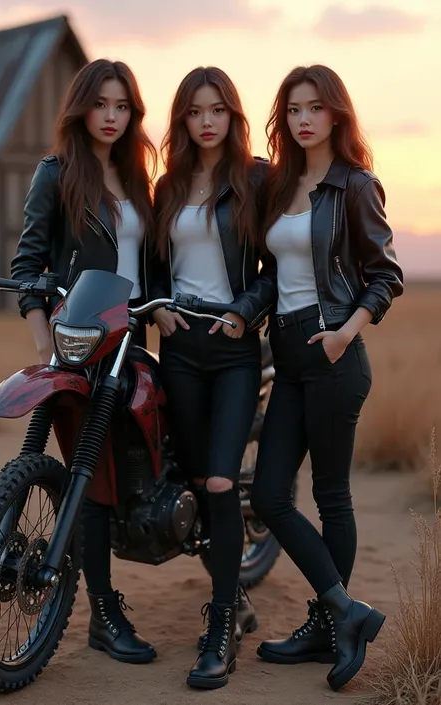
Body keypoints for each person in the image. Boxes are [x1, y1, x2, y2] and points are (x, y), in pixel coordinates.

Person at [250, 64, 403, 692]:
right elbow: (270, 271)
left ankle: (326, 625)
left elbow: (385, 274)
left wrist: (345, 332)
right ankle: (345, 612)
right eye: (292, 109)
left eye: (315, 106)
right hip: (285, 356)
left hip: (335, 353)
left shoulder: (355, 186)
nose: (303, 118)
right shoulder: (280, 183)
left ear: (336, 114)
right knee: (267, 497)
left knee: (331, 496)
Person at [11, 59, 157, 664]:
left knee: (155, 457)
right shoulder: (56, 174)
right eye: (101, 105)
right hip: (83, 342)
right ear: (81, 108)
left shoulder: (139, 177)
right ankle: (102, 612)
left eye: (123, 107)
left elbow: (149, 264)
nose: (112, 118)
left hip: (135, 339)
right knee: (89, 483)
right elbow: (27, 265)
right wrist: (44, 343)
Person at [150, 66, 276, 689]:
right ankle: (235, 597)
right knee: (198, 483)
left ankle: (220, 625)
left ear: (232, 116)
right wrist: (160, 308)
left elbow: (277, 269)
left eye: (217, 110)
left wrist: (243, 312)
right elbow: (151, 269)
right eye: (195, 112)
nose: (206, 122)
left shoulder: (254, 178)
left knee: (224, 481)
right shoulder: (167, 187)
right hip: (181, 350)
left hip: (231, 349)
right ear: (182, 120)